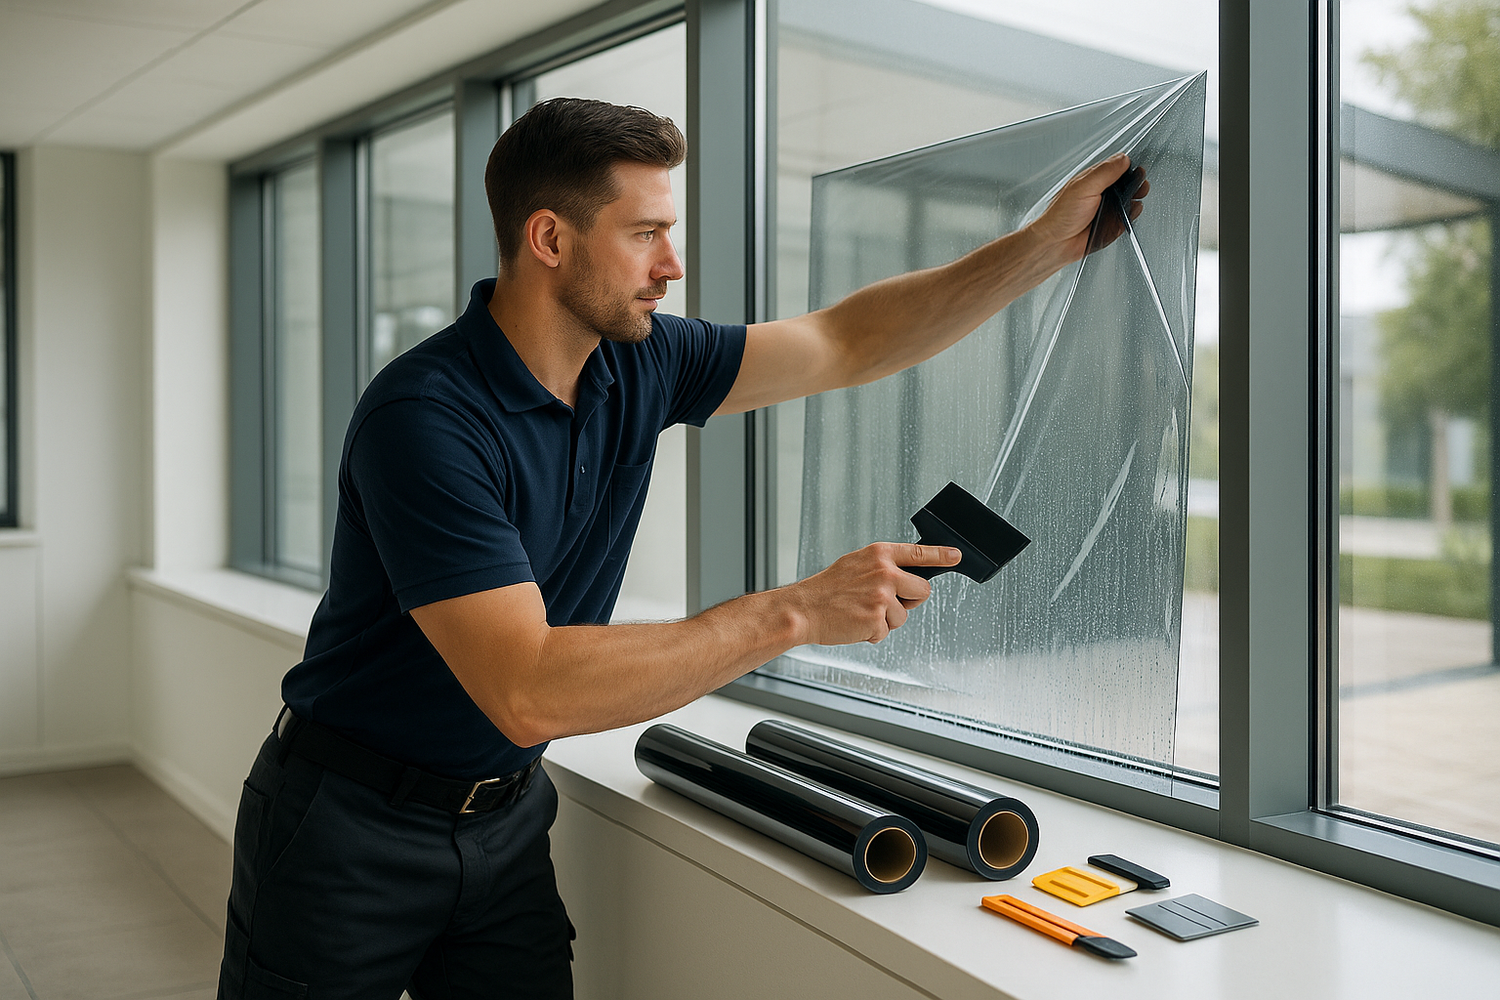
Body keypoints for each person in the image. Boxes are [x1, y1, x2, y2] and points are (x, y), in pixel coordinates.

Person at [216, 97, 1146, 999]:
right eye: (645, 233)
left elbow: (845, 341)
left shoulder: (641, 360)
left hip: (503, 821)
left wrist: (1044, 247)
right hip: (347, 828)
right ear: (550, 239)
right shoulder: (426, 420)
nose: (674, 263)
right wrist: (793, 611)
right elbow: (529, 686)